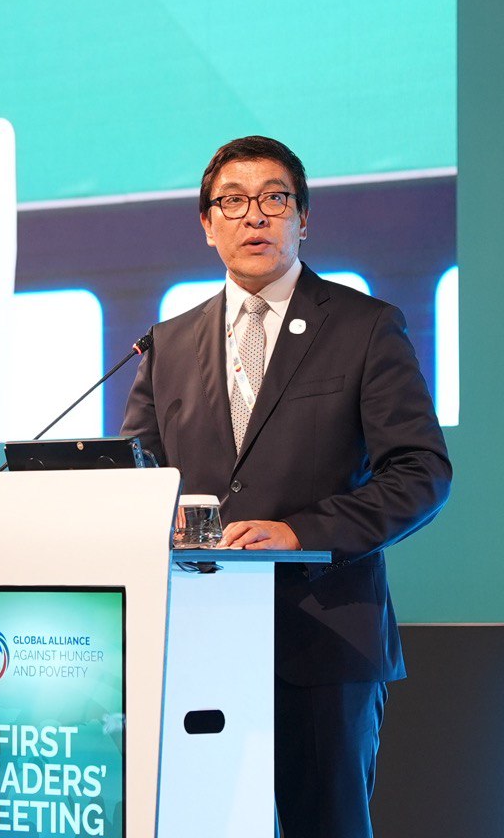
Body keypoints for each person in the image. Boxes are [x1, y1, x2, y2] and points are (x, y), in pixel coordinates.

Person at [122, 135, 451, 837]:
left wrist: (302, 533)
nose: (255, 215)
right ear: (207, 224)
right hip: (197, 641)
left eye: (275, 199)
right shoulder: (166, 344)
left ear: (304, 219)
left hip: (324, 642)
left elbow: (420, 472)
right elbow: (138, 478)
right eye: (233, 202)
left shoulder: (364, 327)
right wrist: (153, 520)